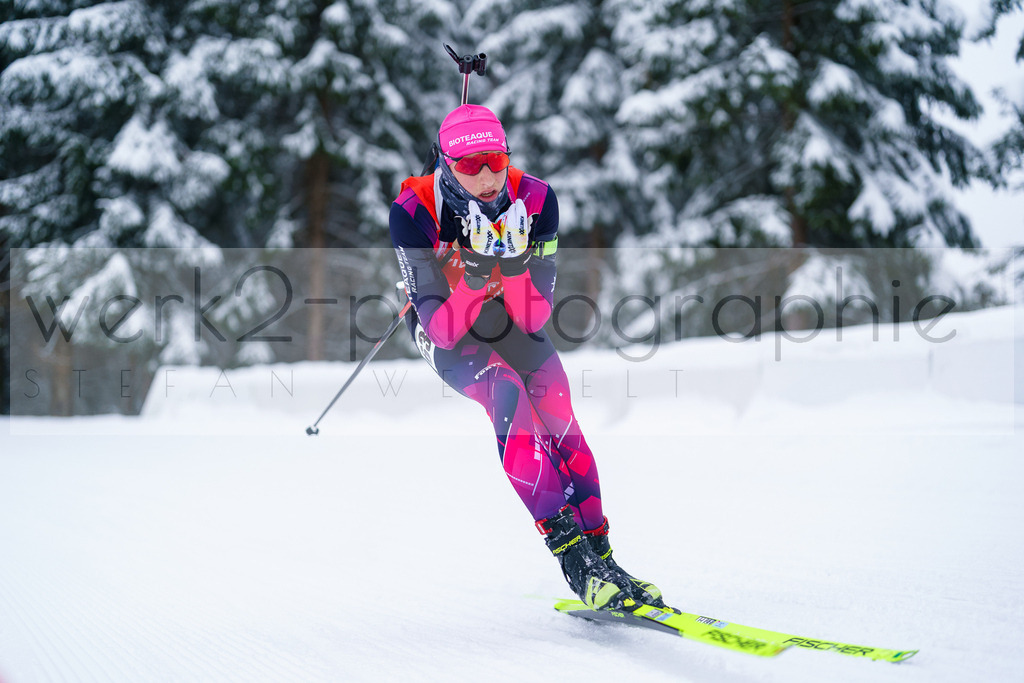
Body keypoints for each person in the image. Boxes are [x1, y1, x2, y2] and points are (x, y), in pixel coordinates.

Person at [388, 104, 666, 611]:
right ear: (445, 164)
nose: (488, 176)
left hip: (510, 316)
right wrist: (472, 273)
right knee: (507, 395)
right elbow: (444, 332)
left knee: (560, 417)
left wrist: (514, 263)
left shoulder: (536, 199)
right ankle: (574, 560)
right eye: (469, 166)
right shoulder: (414, 212)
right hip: (448, 325)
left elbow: (533, 317)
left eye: (495, 160)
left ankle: (603, 559)